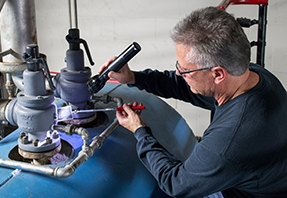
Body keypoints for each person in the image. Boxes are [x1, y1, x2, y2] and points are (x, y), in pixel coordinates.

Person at [99, 6, 287, 198]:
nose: (179, 73)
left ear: (217, 74)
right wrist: (133, 78)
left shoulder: (230, 139)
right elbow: (184, 86)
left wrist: (140, 131)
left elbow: (175, 184)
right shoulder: (251, 75)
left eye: (186, 70)